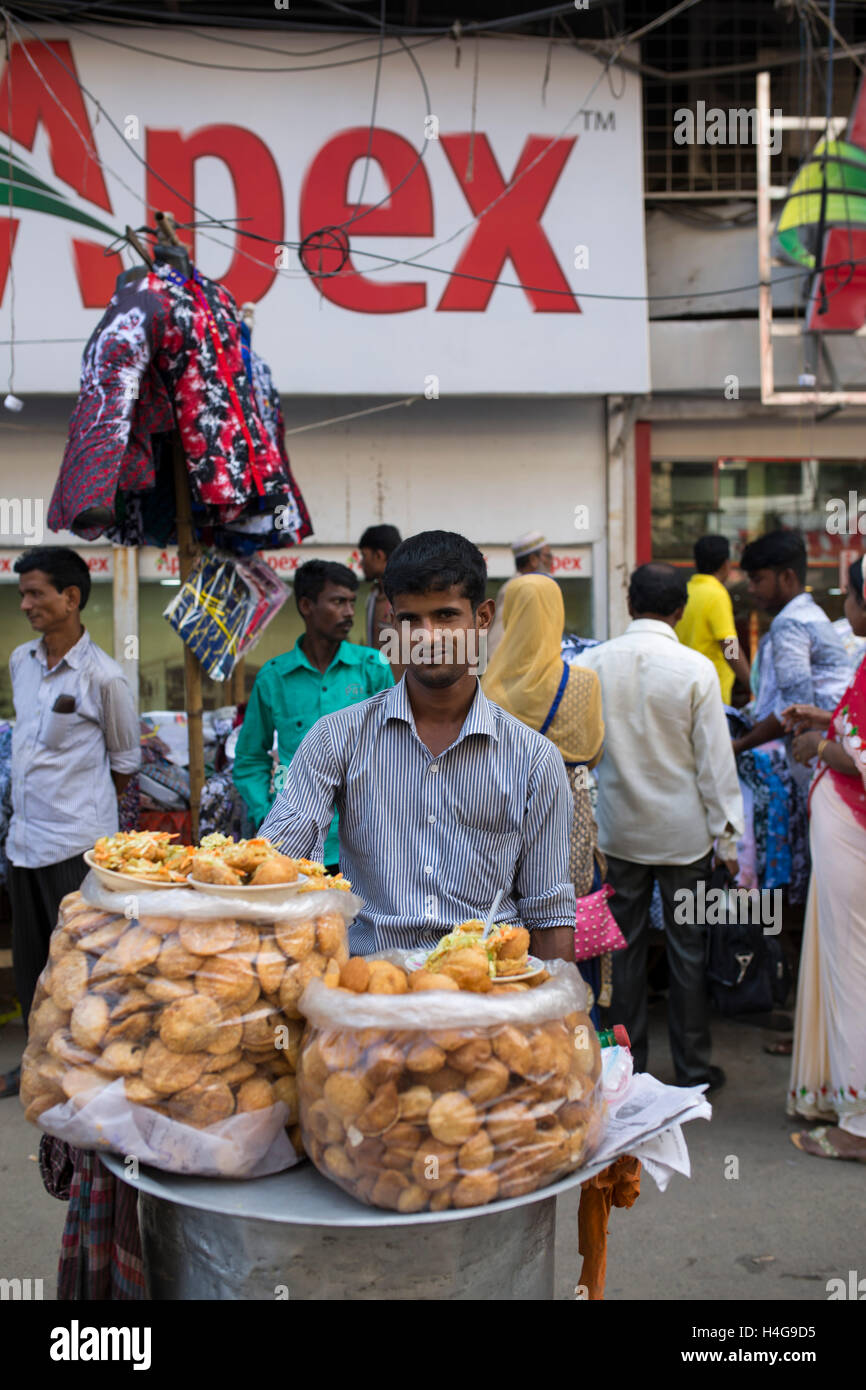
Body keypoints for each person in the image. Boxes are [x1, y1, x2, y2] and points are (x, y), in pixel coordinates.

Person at [261, 530, 576, 961]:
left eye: (446, 615)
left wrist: (556, 1013)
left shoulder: (534, 760)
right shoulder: (337, 738)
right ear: (392, 621)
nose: (427, 636)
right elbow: (280, 863)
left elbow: (549, 911)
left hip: (489, 994)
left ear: (482, 618)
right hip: (372, 992)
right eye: (410, 619)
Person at [575, 563, 743, 1091]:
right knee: (687, 951)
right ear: (679, 610)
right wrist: (729, 835)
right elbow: (714, 764)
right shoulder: (696, 669)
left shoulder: (593, 665)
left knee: (619, 955)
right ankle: (693, 1071)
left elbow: (587, 752)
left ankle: (629, 1068)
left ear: (630, 603)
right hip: (683, 837)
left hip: (619, 834)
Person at [0, 547, 140, 1100]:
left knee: (80, 968)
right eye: (23, 594)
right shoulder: (20, 660)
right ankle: (39, 1068)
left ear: (71, 598)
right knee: (34, 967)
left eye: (35, 593)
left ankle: (83, 1071)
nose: (25, 603)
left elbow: (125, 766)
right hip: (24, 843)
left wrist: (83, 814)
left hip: (75, 846)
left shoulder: (104, 676)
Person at [482, 573, 607, 999]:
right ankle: (573, 1026)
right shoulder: (584, 683)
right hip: (568, 820)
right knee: (562, 926)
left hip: (501, 819)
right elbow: (593, 754)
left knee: (507, 940)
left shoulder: (486, 689)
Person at [783, 556, 866, 1161]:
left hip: (852, 841)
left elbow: (858, 754)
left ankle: (857, 1126)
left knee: (851, 970)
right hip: (847, 836)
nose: (846, 608)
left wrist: (820, 743)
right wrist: (830, 720)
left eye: (851, 596)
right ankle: (838, 1096)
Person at [233, 559, 393, 872]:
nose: (348, 612)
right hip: (293, 845)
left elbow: (395, 748)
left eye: (352, 602)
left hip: (365, 845)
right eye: (338, 602)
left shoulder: (374, 668)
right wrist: (265, 812)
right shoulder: (274, 677)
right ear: (306, 606)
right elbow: (250, 758)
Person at [733, 531, 851, 779]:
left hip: (821, 758)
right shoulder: (810, 613)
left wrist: (739, 745)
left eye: (757, 580)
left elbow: (794, 708)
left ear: (787, 577)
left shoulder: (790, 622)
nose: (751, 589)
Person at [675, 534, 751, 702]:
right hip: (711, 693)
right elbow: (729, 646)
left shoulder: (686, 591)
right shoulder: (716, 594)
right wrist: (752, 685)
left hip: (682, 688)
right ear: (726, 564)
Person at [486, 530, 554, 661]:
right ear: (534, 560)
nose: (551, 562)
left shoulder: (532, 587)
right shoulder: (517, 588)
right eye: (548, 556)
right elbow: (496, 643)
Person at [359, 524, 402, 651]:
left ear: (379, 555)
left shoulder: (405, 597)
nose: (361, 562)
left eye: (364, 556)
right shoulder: (374, 595)